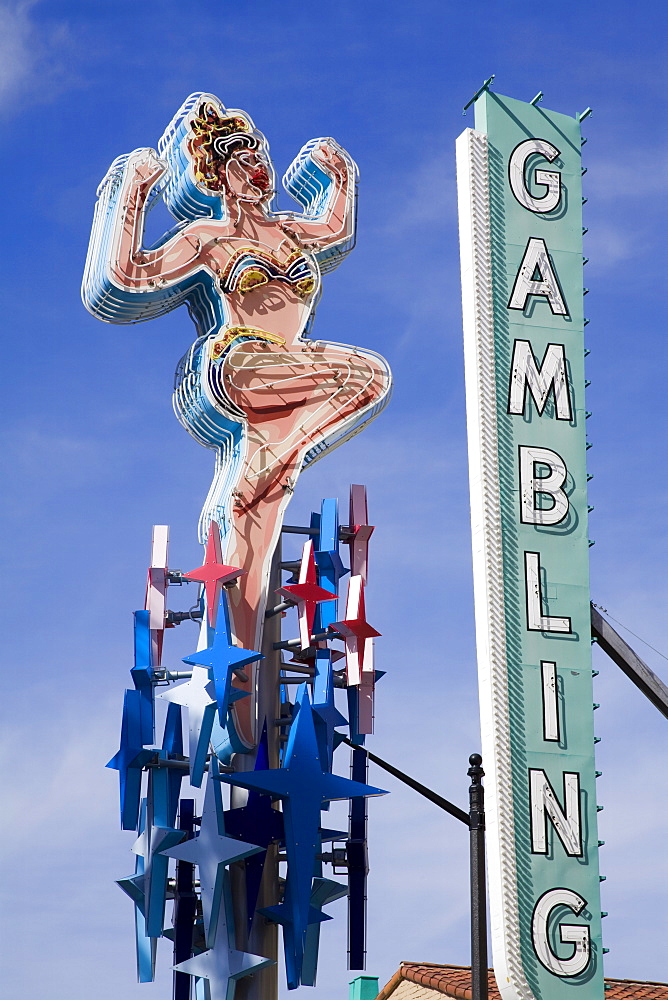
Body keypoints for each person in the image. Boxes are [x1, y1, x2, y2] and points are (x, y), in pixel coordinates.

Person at [83, 93, 392, 747]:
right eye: (246, 158)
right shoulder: (208, 237)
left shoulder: (292, 232)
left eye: (264, 156)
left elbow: (334, 230)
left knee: (250, 545)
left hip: (291, 382)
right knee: (359, 377)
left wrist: (341, 178)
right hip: (241, 364)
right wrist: (131, 194)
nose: (260, 167)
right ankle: (280, 454)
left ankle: (243, 729)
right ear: (218, 172)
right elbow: (123, 279)